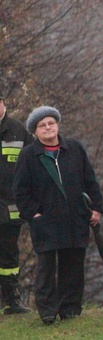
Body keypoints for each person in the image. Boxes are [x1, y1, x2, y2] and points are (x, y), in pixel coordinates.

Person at [13, 106, 103, 325]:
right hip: (45, 220)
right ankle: (47, 311)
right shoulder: (29, 155)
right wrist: (33, 213)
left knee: (73, 264)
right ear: (35, 131)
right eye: (42, 125)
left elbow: (90, 181)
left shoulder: (74, 149)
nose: (47, 128)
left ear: (58, 125)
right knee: (46, 267)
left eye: (51, 123)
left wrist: (97, 208)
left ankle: (70, 308)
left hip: (75, 218)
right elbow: (20, 191)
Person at [0, 93, 32, 314]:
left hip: (11, 207)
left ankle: (12, 300)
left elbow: (33, 166)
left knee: (10, 255)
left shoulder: (19, 130)